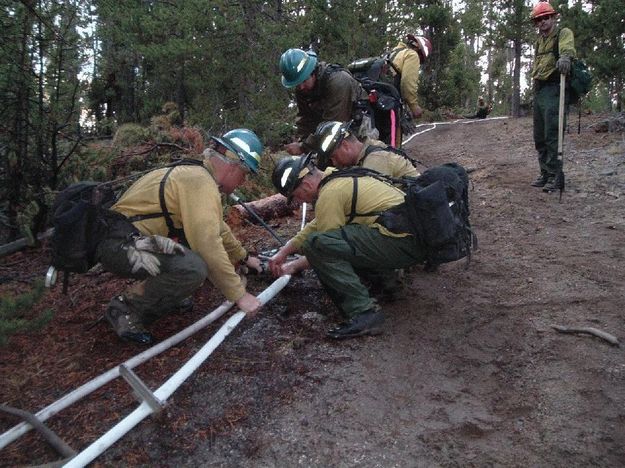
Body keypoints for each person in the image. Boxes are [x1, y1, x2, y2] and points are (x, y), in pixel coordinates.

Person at [96, 129, 265, 344]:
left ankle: (167, 293)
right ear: (233, 166)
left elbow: (217, 228)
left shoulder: (197, 176)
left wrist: (243, 257)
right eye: (245, 174)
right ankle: (125, 309)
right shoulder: (200, 182)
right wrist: (240, 295)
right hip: (119, 246)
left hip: (126, 241)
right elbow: (207, 244)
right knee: (193, 268)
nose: (242, 182)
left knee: (190, 253)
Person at [268, 154, 428, 340]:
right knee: (349, 235)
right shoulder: (339, 178)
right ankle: (388, 284)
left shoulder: (330, 193)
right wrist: (285, 251)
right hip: (412, 239)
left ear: (306, 185)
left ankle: (364, 313)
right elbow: (318, 223)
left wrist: (293, 265)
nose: (301, 202)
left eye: (296, 196)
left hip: (405, 245)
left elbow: (323, 246)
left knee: (318, 245)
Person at [279, 48, 371, 156]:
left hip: (358, 130)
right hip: (330, 134)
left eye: (304, 80)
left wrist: (303, 147)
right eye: (297, 83)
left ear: (312, 72)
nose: (301, 87)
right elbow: (305, 120)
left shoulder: (338, 82)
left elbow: (334, 126)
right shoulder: (303, 89)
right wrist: (302, 141)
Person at [530, 1, 576, 193]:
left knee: (552, 134)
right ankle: (545, 173)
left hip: (554, 88)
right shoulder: (539, 41)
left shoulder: (563, 34)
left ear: (553, 17)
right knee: (539, 135)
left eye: (545, 17)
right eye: (538, 19)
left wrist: (565, 58)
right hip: (540, 90)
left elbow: (567, 50)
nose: (542, 22)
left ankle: (555, 175)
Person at [312, 120, 423, 177]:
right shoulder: (369, 150)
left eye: (334, 157)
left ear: (345, 146)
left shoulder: (375, 161)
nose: (334, 163)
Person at [389, 34, 432, 120]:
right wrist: (414, 106)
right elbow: (407, 82)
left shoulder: (392, 53)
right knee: (395, 128)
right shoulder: (412, 54)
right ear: (418, 50)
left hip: (379, 96)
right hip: (390, 99)